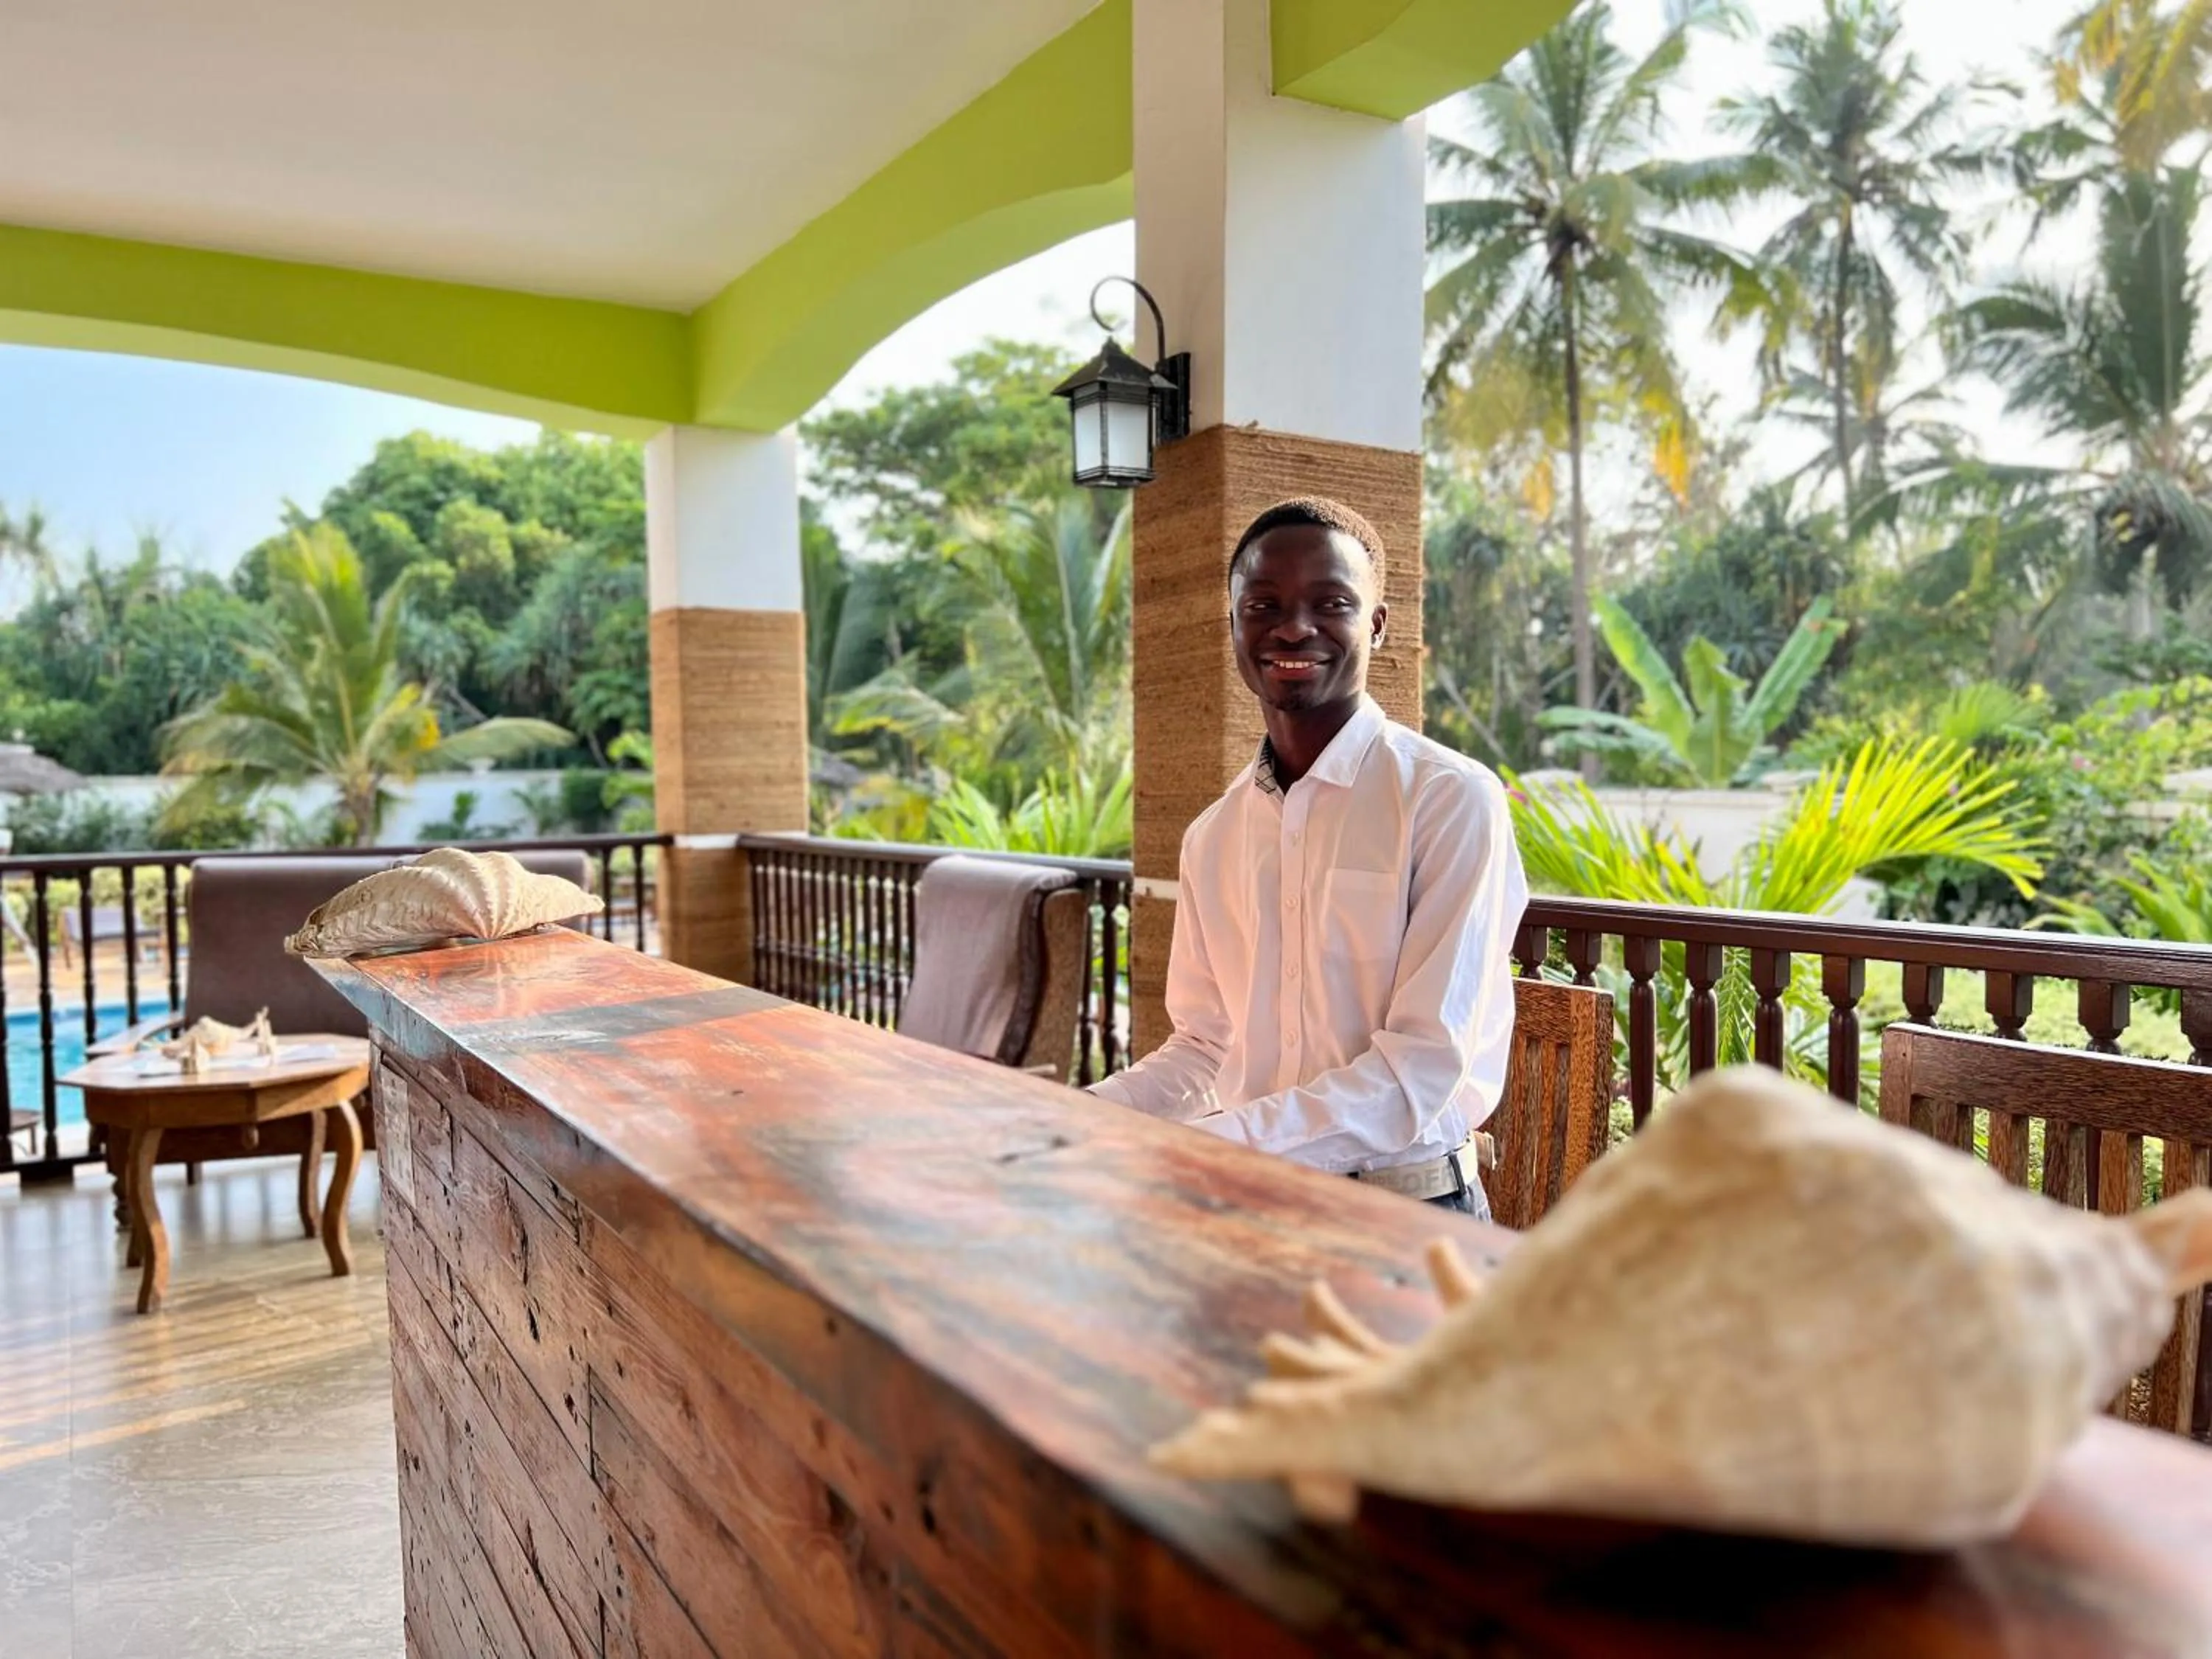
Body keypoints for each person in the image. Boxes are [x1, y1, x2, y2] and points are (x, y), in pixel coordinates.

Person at [1090, 498, 1528, 1215]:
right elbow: (1205, 1047)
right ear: (1233, 624)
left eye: (1331, 602)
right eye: (1263, 604)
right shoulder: (1215, 834)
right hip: (1249, 1200)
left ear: (1377, 625)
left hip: (1406, 1213)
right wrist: (1071, 1113)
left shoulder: (1448, 800)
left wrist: (1206, 1148)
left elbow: (1415, 1076)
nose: (1294, 627)